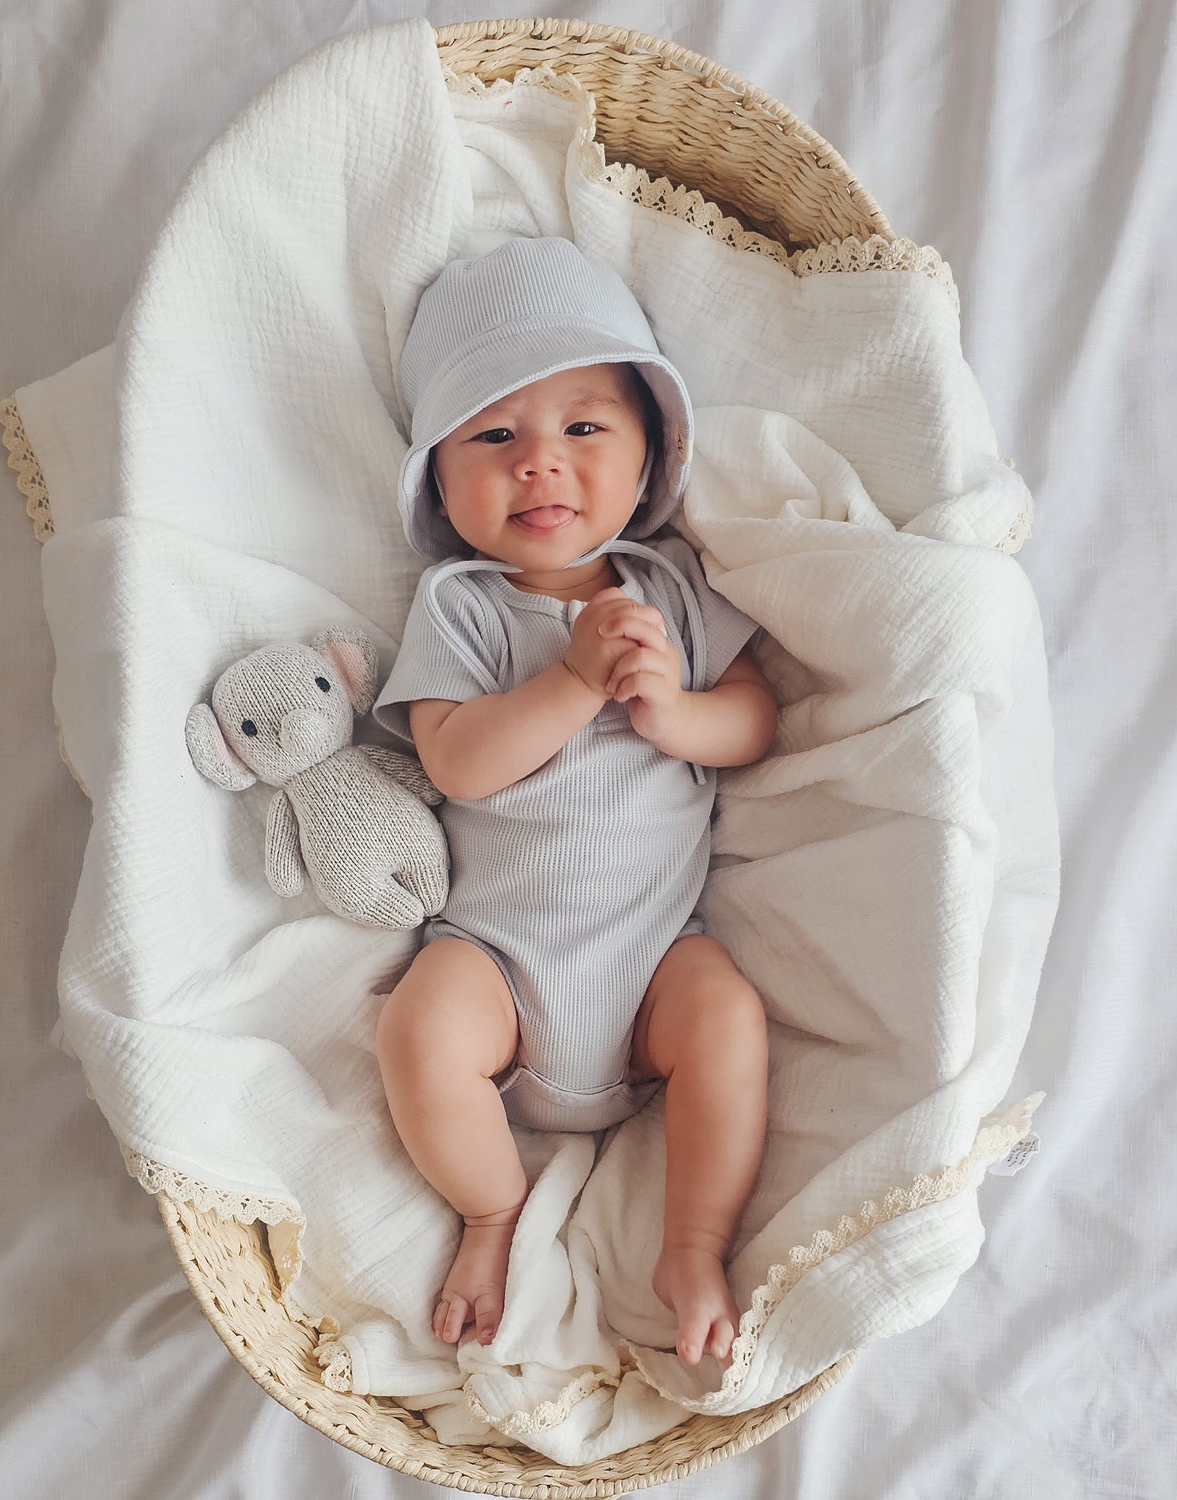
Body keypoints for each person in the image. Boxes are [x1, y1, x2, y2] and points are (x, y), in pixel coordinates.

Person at [372, 237, 776, 1367]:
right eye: (495, 436)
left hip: (655, 961)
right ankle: (492, 1211)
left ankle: (693, 1242)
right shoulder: (463, 607)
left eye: (584, 428)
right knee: (419, 1029)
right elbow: (453, 760)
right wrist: (569, 683)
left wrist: (677, 715)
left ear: (649, 461)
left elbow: (755, 718)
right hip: (496, 958)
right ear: (443, 484)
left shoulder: (672, 590)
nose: (541, 465)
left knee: (730, 1020)